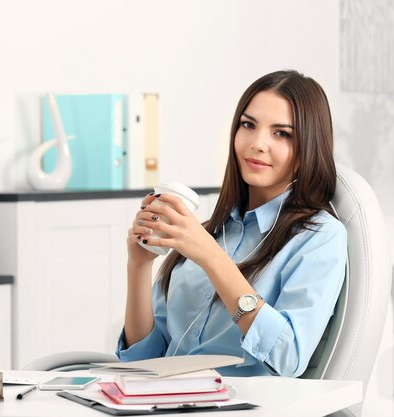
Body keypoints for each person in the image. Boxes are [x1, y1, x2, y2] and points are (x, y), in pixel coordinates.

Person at [117, 70, 347, 377]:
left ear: (308, 148)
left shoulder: (319, 237)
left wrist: (211, 257)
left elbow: (287, 357)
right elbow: (143, 361)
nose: (257, 143)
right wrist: (139, 266)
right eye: (248, 125)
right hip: (161, 401)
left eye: (282, 133)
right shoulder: (209, 230)